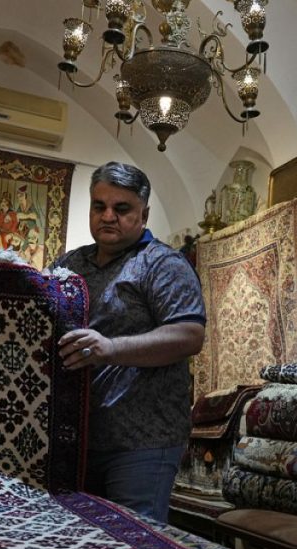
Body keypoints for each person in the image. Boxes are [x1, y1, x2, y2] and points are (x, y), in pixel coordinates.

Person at [55, 161, 205, 523]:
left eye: (121, 209)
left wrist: (111, 348)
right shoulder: (69, 265)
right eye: (99, 206)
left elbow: (190, 334)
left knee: (136, 542)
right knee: (81, 538)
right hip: (77, 436)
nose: (108, 216)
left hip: (144, 441)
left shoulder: (163, 264)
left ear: (144, 213)